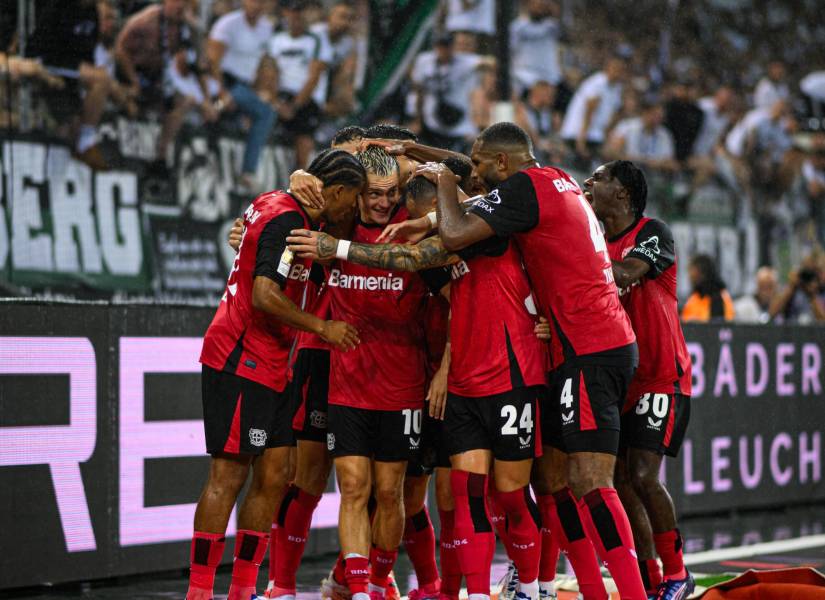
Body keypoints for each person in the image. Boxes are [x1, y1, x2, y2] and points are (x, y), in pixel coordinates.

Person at [288, 167, 548, 600]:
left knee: (475, 495)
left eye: (392, 194)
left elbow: (450, 291)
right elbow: (289, 235)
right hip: (384, 385)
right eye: (374, 193)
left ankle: (521, 585)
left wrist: (445, 368)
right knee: (381, 489)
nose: (383, 203)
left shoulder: (471, 234)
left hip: (451, 383)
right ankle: (378, 589)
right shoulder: (343, 231)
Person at [434, 122, 647, 600]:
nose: (475, 173)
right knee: (560, 482)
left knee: (592, 481)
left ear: (504, 164)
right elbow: (477, 165)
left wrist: (444, 183)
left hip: (591, 346)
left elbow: (452, 234)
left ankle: (632, 595)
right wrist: (418, 150)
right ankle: (578, 589)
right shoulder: (557, 178)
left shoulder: (523, 190)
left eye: (482, 164)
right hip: (577, 344)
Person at [187, 149, 364, 600]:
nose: (355, 209)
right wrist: (323, 327)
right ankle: (199, 592)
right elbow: (265, 294)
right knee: (228, 476)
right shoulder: (286, 220)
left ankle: (243, 589)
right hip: (241, 357)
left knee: (275, 475)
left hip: (275, 364)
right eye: (354, 198)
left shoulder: (288, 207)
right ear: (337, 192)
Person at [585, 160, 695, 600]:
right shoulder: (595, 239)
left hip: (660, 375)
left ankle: (678, 572)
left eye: (599, 178)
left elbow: (627, 275)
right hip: (619, 380)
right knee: (620, 480)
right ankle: (649, 580)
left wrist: (574, 275)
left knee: (645, 475)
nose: (589, 184)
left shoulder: (654, 232)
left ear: (623, 194)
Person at [26, 0, 118, 168]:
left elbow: (87, 52)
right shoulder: (58, 7)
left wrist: (83, 75)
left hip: (71, 70)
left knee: (71, 129)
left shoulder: (91, 12)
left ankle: (76, 141)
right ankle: (86, 142)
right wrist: (84, 71)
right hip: (47, 59)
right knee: (102, 78)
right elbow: (41, 46)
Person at [115, 0, 195, 171]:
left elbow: (199, 62)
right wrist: (133, 80)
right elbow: (120, 48)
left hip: (155, 79)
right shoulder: (147, 20)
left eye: (185, 3)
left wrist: (196, 29)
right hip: (130, 74)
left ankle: (160, 156)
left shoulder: (183, 28)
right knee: (130, 105)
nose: (180, 7)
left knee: (185, 102)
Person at [207, 0, 277, 190]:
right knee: (253, 105)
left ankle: (248, 172)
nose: (257, 5)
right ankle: (223, 102)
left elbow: (262, 63)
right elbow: (212, 62)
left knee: (267, 112)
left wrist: (262, 92)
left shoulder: (266, 28)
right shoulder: (228, 24)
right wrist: (221, 91)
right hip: (222, 81)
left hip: (245, 88)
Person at [267, 0, 331, 170]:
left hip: (305, 99)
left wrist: (294, 106)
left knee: (304, 131)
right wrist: (276, 102)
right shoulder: (276, 40)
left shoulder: (317, 41)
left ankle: (301, 172)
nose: (296, 16)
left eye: (300, 11)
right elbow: (270, 73)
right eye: (292, 11)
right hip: (281, 95)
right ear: (285, 13)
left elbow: (313, 78)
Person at [411, 32, 488, 152]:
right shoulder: (425, 61)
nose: (443, 50)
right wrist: (418, 120)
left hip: (458, 124)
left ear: (452, 47)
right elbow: (419, 90)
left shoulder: (464, 61)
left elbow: (490, 62)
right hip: (432, 122)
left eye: (446, 46)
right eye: (440, 46)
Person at [560, 56, 627, 167]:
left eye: (621, 70)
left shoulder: (617, 88)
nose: (618, 72)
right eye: (615, 68)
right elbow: (589, 111)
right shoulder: (597, 83)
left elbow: (614, 114)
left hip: (595, 136)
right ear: (607, 68)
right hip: (577, 134)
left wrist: (606, 138)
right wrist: (581, 141)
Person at [310, 0, 358, 119]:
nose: (345, 22)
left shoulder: (347, 43)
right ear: (329, 17)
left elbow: (342, 74)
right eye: (342, 17)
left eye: (350, 18)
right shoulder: (314, 33)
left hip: (326, 82)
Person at [605, 100, 679, 173]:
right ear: (645, 113)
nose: (658, 119)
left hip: (654, 175)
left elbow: (671, 163)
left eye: (660, 116)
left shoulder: (664, 134)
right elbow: (611, 152)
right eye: (655, 115)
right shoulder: (627, 127)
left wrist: (659, 164)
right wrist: (643, 161)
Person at [509, 0, 563, 96]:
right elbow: (510, 51)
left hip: (550, 80)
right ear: (528, 4)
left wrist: (553, 12)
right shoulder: (517, 27)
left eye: (543, 5)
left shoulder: (552, 26)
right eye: (536, 4)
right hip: (526, 79)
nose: (540, 7)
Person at [680, 254, 735, 322]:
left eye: (692, 270)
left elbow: (715, 328)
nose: (690, 275)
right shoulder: (695, 296)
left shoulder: (718, 297)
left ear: (701, 272)